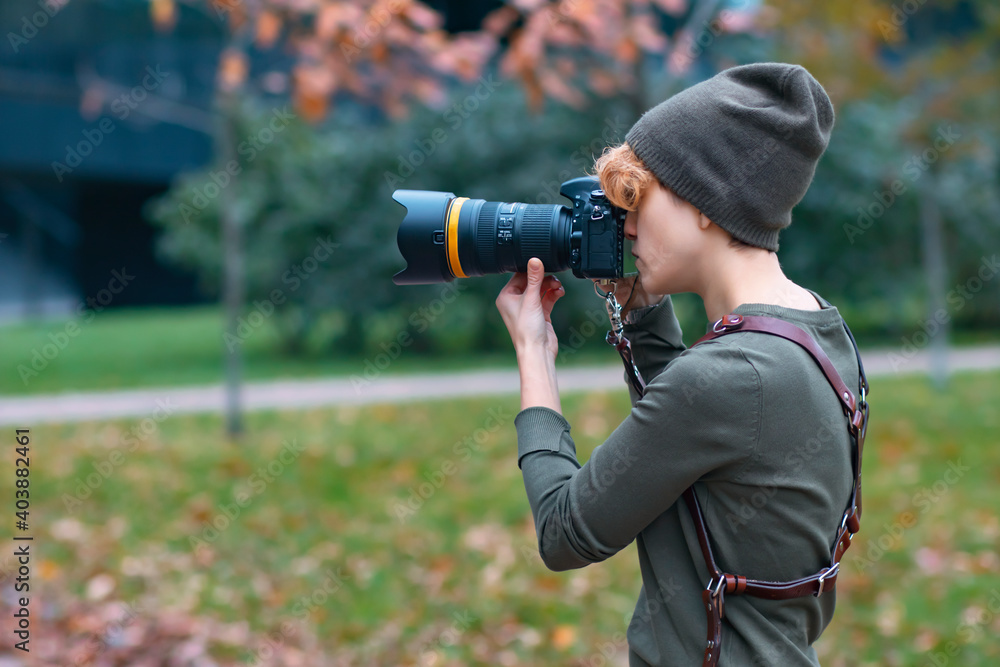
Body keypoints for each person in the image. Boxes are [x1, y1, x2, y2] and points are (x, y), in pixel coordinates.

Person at [495, 63, 864, 666]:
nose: (629, 224)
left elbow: (563, 534)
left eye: (642, 198)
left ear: (704, 202)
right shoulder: (821, 334)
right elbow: (698, 446)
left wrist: (533, 353)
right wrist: (642, 311)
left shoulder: (727, 377)